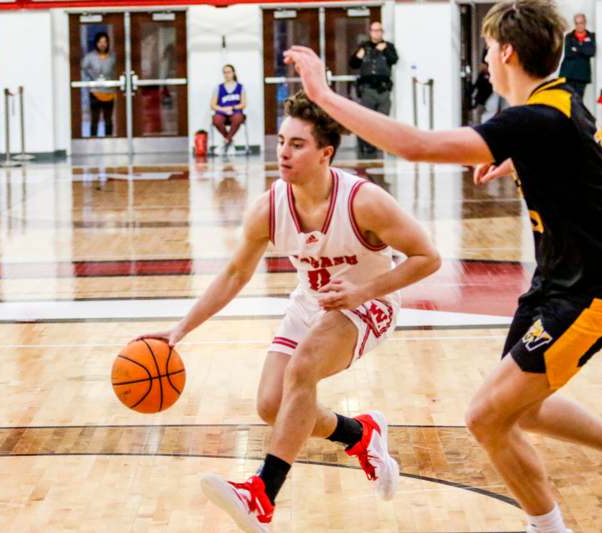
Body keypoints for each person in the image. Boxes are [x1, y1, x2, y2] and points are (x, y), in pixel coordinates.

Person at [285, 0, 602, 530]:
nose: (486, 60)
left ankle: (550, 524)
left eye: (488, 49)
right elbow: (582, 154)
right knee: (519, 408)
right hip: (557, 283)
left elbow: (416, 146)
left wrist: (323, 95)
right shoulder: (557, 104)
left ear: (507, 50)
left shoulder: (537, 117)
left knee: (486, 416)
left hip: (596, 292)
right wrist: (520, 160)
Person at [139, 91, 441, 532]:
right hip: (311, 302)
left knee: (302, 370)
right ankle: (360, 435)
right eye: (282, 141)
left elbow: (427, 257)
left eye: (297, 144)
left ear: (325, 154)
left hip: (370, 302)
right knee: (272, 404)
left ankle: (261, 494)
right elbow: (234, 274)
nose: (284, 152)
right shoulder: (269, 207)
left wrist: (363, 291)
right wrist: (180, 330)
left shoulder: (363, 201)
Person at [349, 21, 398, 156]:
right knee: (366, 120)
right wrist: (360, 54)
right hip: (367, 90)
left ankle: (382, 145)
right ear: (370, 32)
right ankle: (367, 147)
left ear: (382, 32)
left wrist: (385, 50)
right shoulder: (364, 47)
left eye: (379, 30)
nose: (377, 33)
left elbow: (394, 60)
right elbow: (353, 63)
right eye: (374, 30)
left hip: (383, 89)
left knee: (383, 120)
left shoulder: (388, 46)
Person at [81, 32, 116, 137]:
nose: (102, 44)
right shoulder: (90, 57)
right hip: (95, 92)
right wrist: (89, 81)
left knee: (108, 119)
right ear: (96, 43)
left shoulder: (112, 57)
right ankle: (93, 139)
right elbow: (83, 69)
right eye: (100, 42)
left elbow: (117, 71)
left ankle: (109, 139)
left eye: (105, 42)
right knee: (94, 119)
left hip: (110, 92)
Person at [211, 65, 247, 154]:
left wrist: (232, 107)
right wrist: (223, 109)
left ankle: (226, 141)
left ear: (233, 73)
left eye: (229, 72)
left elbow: (243, 104)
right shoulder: (218, 87)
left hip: (235, 111)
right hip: (222, 111)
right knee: (216, 120)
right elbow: (212, 104)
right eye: (225, 72)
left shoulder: (240, 87)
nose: (227, 74)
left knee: (238, 118)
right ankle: (229, 141)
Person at [558, 13, 595, 99]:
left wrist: (576, 48)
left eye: (581, 23)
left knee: (578, 101)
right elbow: (568, 53)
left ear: (585, 23)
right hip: (568, 74)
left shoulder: (591, 36)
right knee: (568, 100)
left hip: (582, 76)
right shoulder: (569, 36)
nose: (579, 26)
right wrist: (583, 46)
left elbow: (591, 52)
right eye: (576, 23)